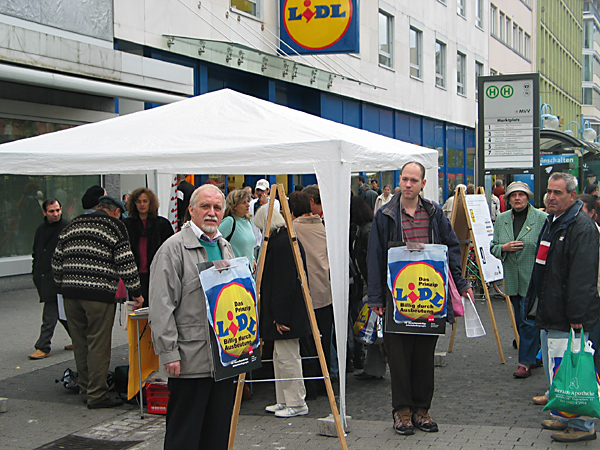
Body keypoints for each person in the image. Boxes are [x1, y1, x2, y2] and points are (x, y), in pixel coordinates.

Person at [367, 162, 473, 436]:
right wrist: (376, 297)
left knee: (424, 356)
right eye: (405, 179)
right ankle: (402, 411)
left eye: (414, 180)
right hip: (397, 296)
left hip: (429, 295)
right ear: (399, 181)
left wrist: (460, 283)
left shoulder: (434, 213)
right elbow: (375, 257)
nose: (409, 184)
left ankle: (421, 409)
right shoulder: (386, 215)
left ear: (423, 183)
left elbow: (451, 247)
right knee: (399, 357)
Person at [149, 185, 236, 449]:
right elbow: (161, 305)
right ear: (191, 210)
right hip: (190, 360)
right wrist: (169, 352)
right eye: (205, 207)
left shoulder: (224, 247)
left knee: (217, 433)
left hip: (224, 358)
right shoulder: (173, 249)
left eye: (217, 208)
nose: (211, 213)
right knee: (184, 436)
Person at [526, 172, 599, 442]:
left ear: (572, 195)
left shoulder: (580, 226)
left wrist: (577, 315)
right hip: (550, 312)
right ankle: (563, 416)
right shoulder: (553, 221)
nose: (551, 197)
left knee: (573, 370)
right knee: (557, 370)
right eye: (549, 192)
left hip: (568, 317)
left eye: (558, 193)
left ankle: (581, 426)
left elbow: (582, 276)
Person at [52, 196, 143, 409]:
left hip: (70, 293)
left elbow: (57, 259)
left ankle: (84, 389)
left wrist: (62, 286)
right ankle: (97, 394)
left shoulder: (72, 224)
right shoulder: (114, 226)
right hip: (98, 294)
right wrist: (136, 292)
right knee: (98, 344)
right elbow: (125, 261)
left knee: (80, 342)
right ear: (115, 212)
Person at [253, 205, 311, 418]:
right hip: (284, 311)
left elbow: (283, 284)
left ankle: (295, 402)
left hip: (286, 312)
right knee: (281, 357)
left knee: (287, 357)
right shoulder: (285, 240)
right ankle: (285, 399)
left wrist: (280, 316)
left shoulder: (281, 243)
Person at [490, 182, 547, 379]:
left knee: (526, 320)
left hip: (533, 279)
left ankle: (525, 362)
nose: (517, 198)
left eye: (521, 195)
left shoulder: (541, 218)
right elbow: (494, 246)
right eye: (513, 195)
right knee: (520, 320)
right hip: (512, 280)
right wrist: (503, 248)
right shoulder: (502, 219)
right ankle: (536, 354)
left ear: (528, 197)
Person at [289, 191, 333, 372]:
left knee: (308, 343)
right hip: (326, 291)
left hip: (306, 293)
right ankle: (327, 378)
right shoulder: (323, 227)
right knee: (325, 340)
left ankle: (312, 382)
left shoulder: (293, 230)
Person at [29, 199, 71, 360]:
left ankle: (43, 346)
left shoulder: (66, 227)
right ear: (44, 212)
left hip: (58, 278)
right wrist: (36, 271)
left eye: (58, 210)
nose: (56, 214)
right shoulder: (41, 230)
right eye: (52, 211)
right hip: (44, 277)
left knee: (50, 313)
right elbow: (37, 252)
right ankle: (80, 339)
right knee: (60, 313)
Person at [350, 195, 386, 380]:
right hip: (368, 283)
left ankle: (375, 367)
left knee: (371, 325)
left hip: (370, 285)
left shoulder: (366, 231)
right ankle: (373, 368)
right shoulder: (365, 229)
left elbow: (370, 260)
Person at [123, 188, 174, 307]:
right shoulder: (127, 224)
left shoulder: (162, 224)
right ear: (133, 203)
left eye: (145, 201)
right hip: (134, 275)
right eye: (139, 201)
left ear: (151, 203)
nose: (142, 204)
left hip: (157, 274)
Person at [218, 189, 256, 271]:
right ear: (234, 206)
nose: (248, 205)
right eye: (243, 203)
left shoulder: (247, 221)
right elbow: (215, 241)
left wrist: (252, 258)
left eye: (248, 201)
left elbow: (249, 245)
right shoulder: (229, 221)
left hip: (248, 270)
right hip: (235, 272)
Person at [249, 179, 280, 257]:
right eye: (258, 190)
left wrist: (265, 204)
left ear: (268, 190)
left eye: (262, 190)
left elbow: (272, 219)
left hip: (267, 240)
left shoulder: (275, 202)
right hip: (254, 240)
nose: (260, 193)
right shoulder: (252, 203)